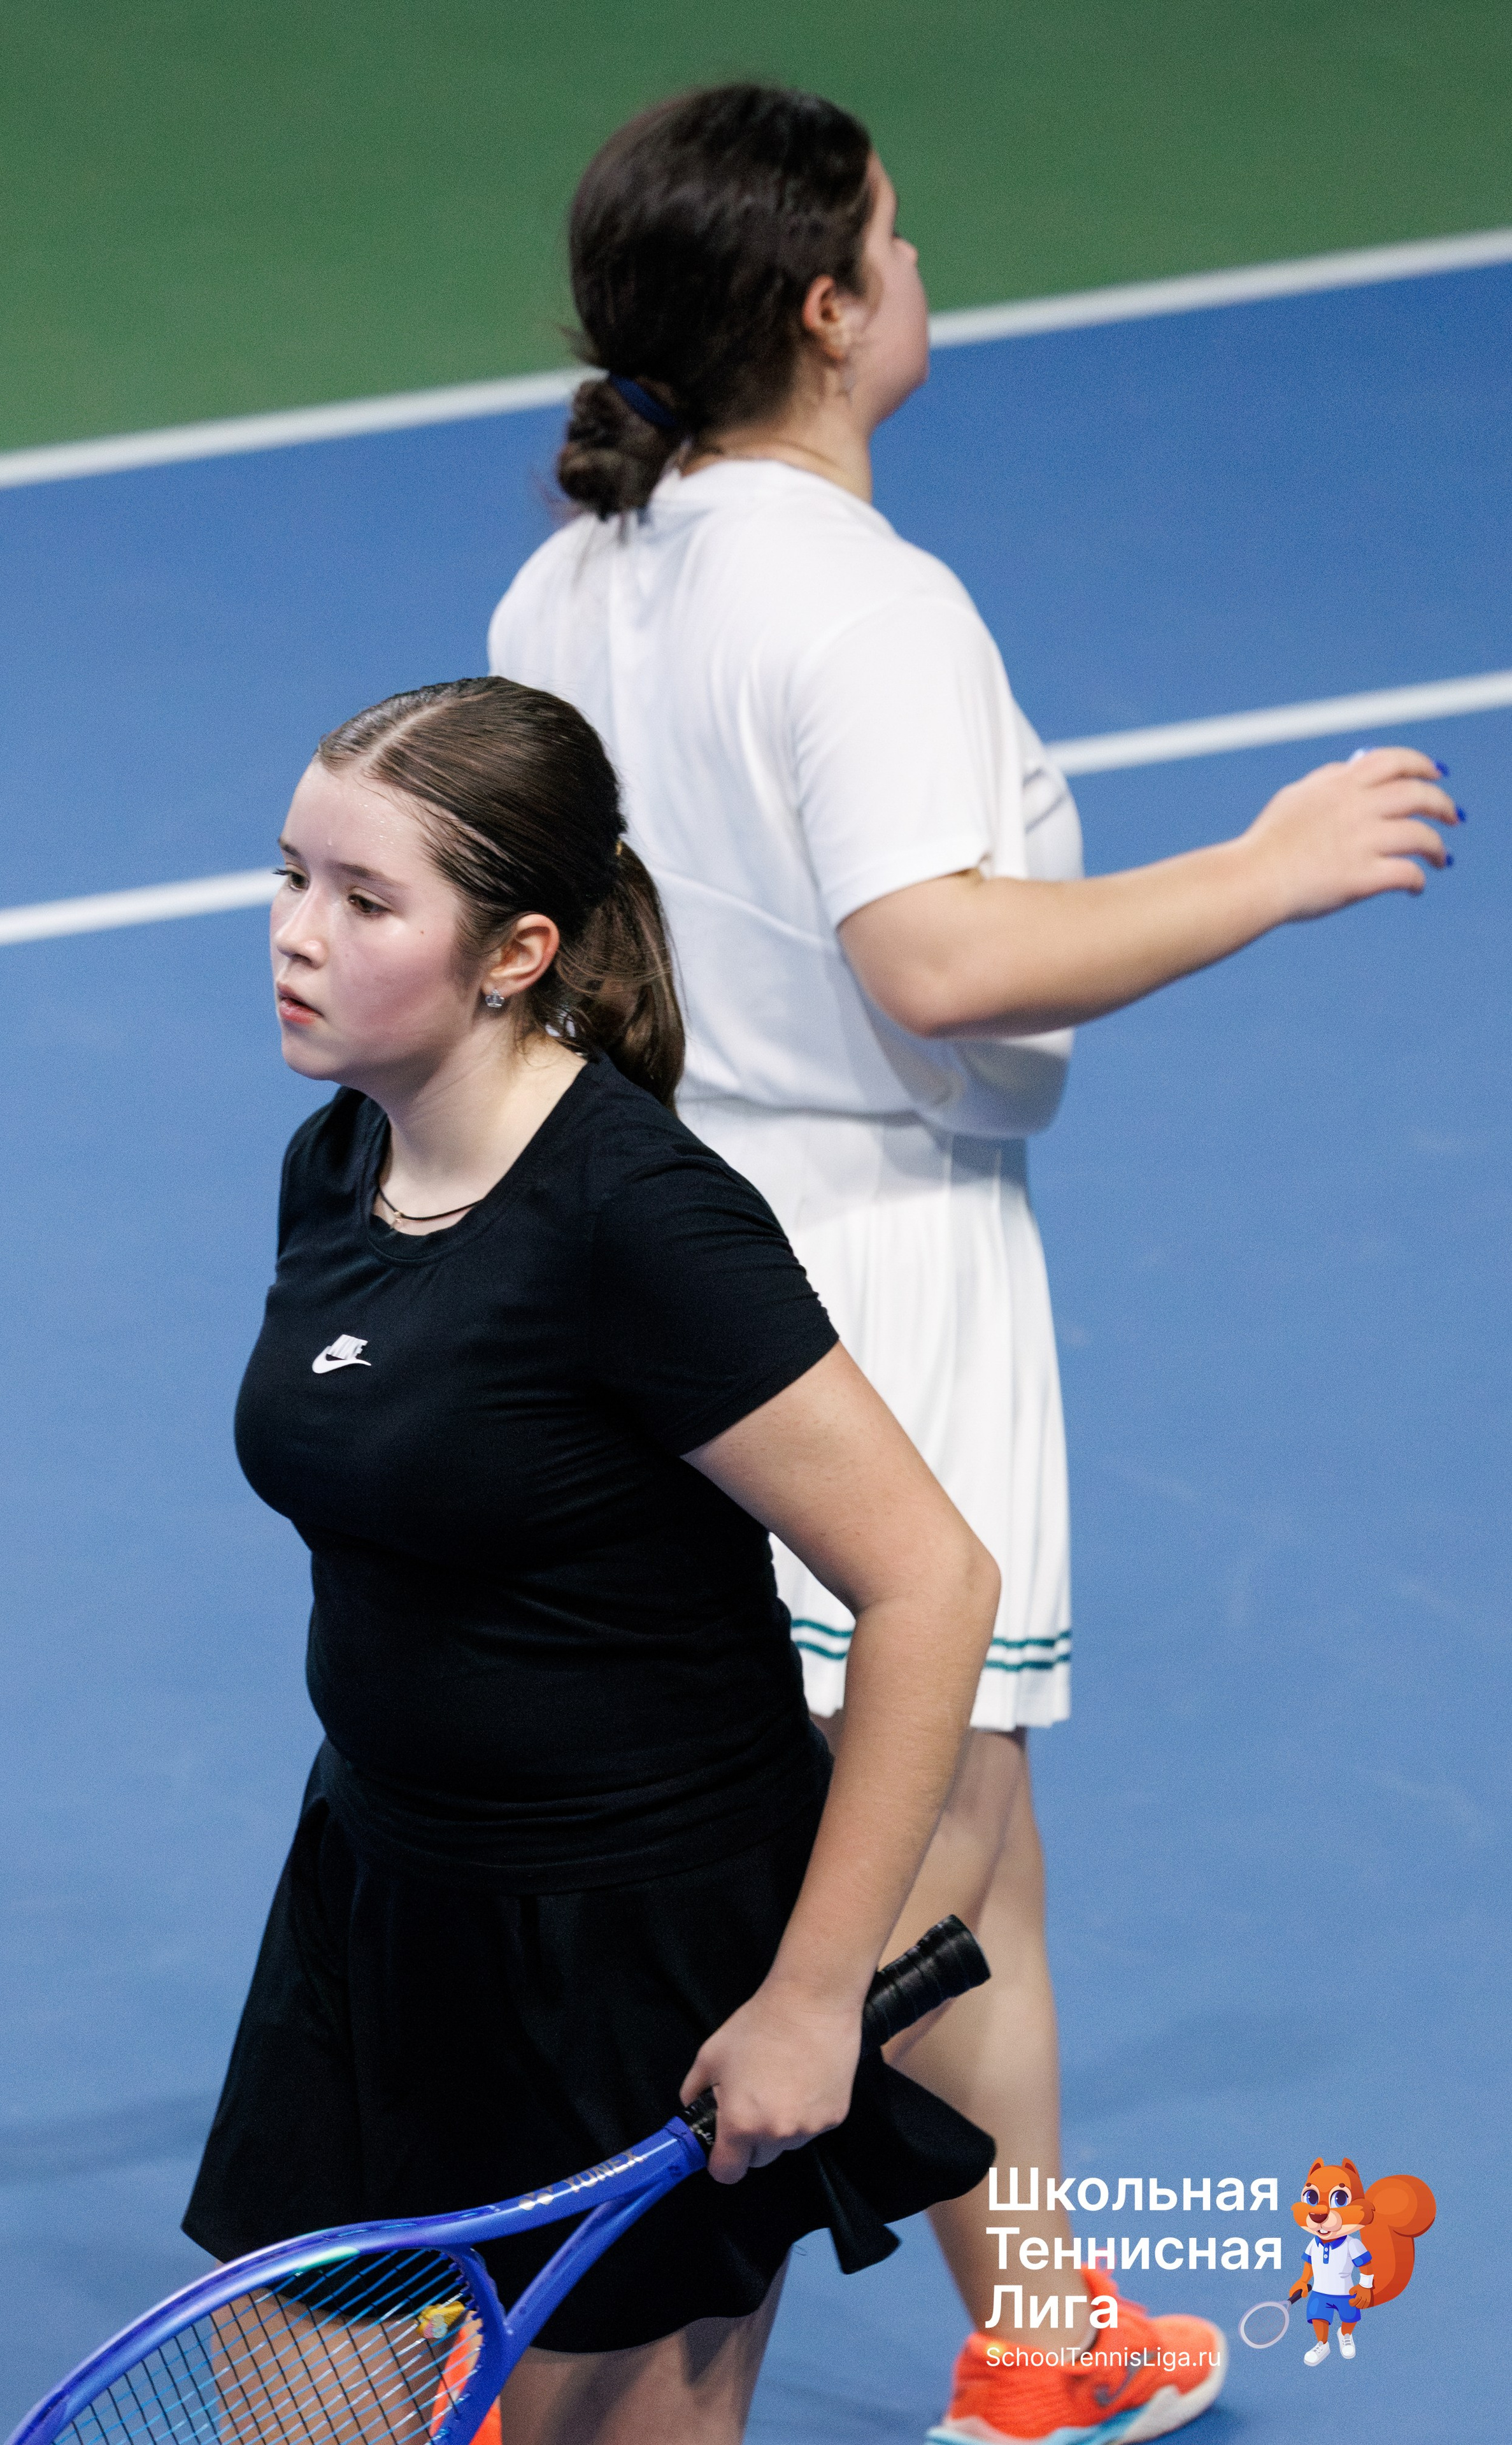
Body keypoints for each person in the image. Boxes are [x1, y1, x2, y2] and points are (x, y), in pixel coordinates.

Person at [487, 85, 1459, 2445]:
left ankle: (1035, 2333)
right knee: (867, 1855)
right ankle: (603, 2360)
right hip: (864, 1279)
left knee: (954, 1837)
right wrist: (1278, 862)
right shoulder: (863, 601)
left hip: (637, 1234)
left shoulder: (572, 584)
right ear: (825, 309)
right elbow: (938, 958)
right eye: (897, 243)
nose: (925, 272)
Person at [182, 674, 1004, 2445]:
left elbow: (932, 1582)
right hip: (377, 1899)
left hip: (635, 1950)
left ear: (516, 949)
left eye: (363, 898)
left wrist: (806, 2000)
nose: (293, 935)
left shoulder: (642, 1223)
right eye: (288, 875)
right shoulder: (339, 1163)